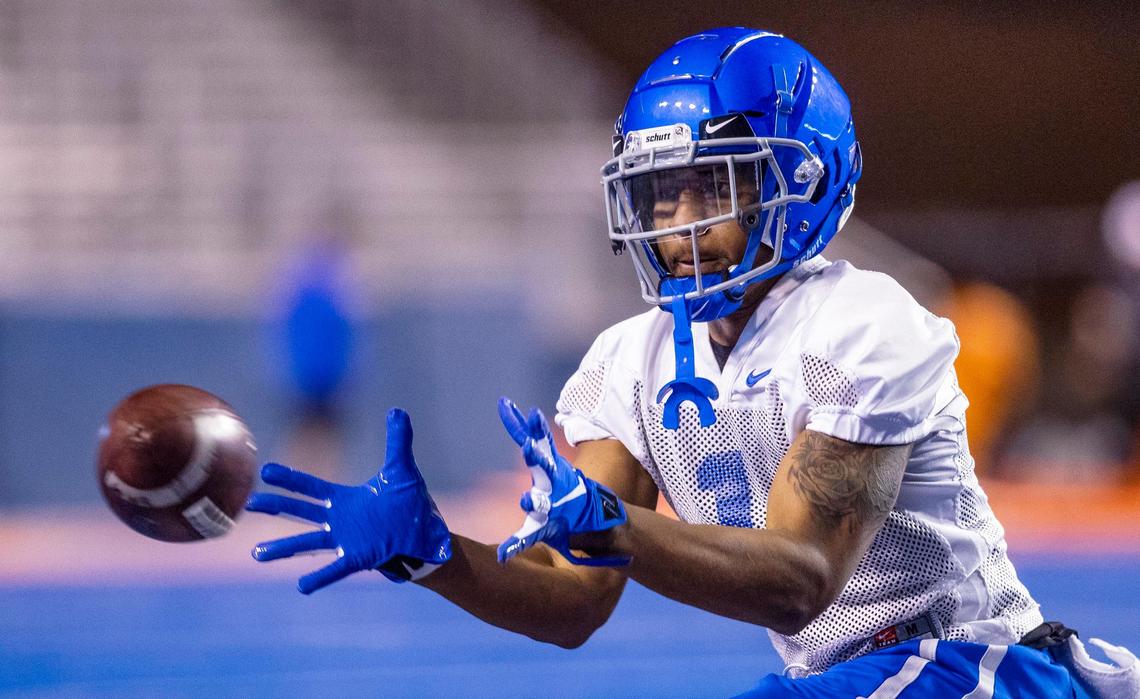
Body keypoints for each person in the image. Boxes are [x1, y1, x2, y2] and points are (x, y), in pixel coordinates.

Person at [245, 28, 1137, 698]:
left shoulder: (864, 323)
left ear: (803, 181)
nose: (676, 222)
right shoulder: (626, 362)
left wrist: (612, 524)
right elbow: (569, 600)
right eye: (658, 192)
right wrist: (437, 554)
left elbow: (800, 579)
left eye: (710, 185)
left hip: (971, 662)